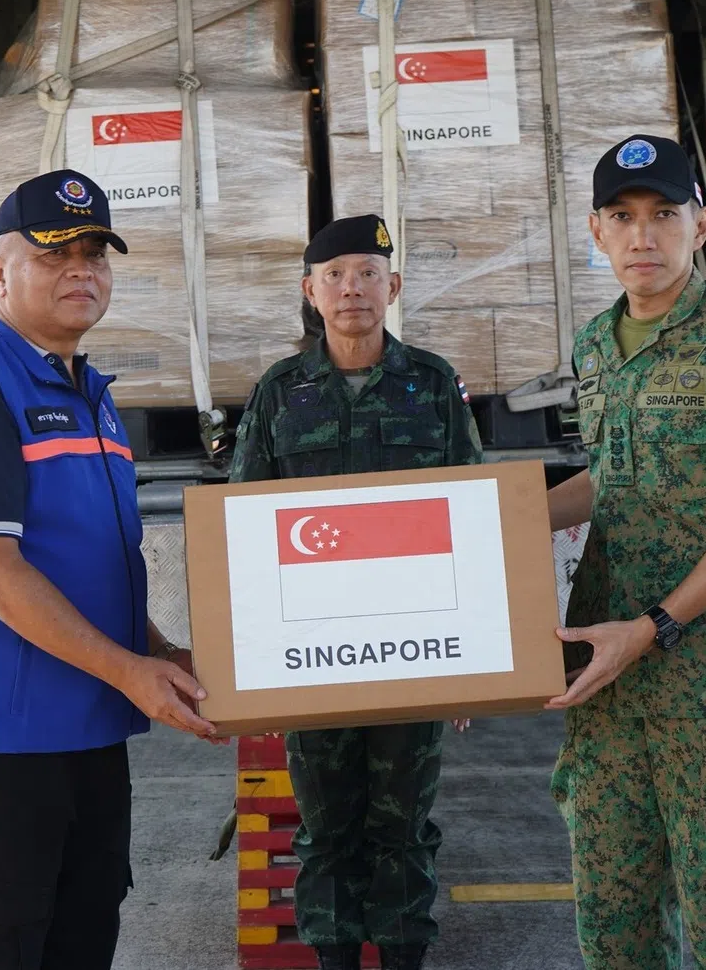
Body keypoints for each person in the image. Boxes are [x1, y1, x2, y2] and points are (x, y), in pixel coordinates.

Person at [0, 170, 219, 970]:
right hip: (5, 745)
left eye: (94, 252)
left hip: (90, 725)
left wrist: (156, 653)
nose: (81, 269)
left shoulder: (86, 391)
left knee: (83, 937)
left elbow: (90, 564)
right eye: (53, 253)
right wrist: (129, 670)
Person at [544, 135, 706, 969]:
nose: (643, 237)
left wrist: (653, 626)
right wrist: (494, 524)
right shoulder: (594, 346)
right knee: (615, 921)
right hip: (604, 681)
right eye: (622, 218)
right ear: (596, 231)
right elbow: (612, 476)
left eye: (664, 215)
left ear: (700, 224)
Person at [229, 214, 483, 970]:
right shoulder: (279, 393)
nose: (352, 289)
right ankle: (336, 960)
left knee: (403, 826)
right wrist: (256, 663)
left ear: (393, 286)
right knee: (327, 828)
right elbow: (244, 528)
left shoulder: (432, 384)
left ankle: (405, 958)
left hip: (414, 648)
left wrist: (476, 659)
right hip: (314, 653)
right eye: (335, 275)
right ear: (311, 291)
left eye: (368, 273)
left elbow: (471, 515)